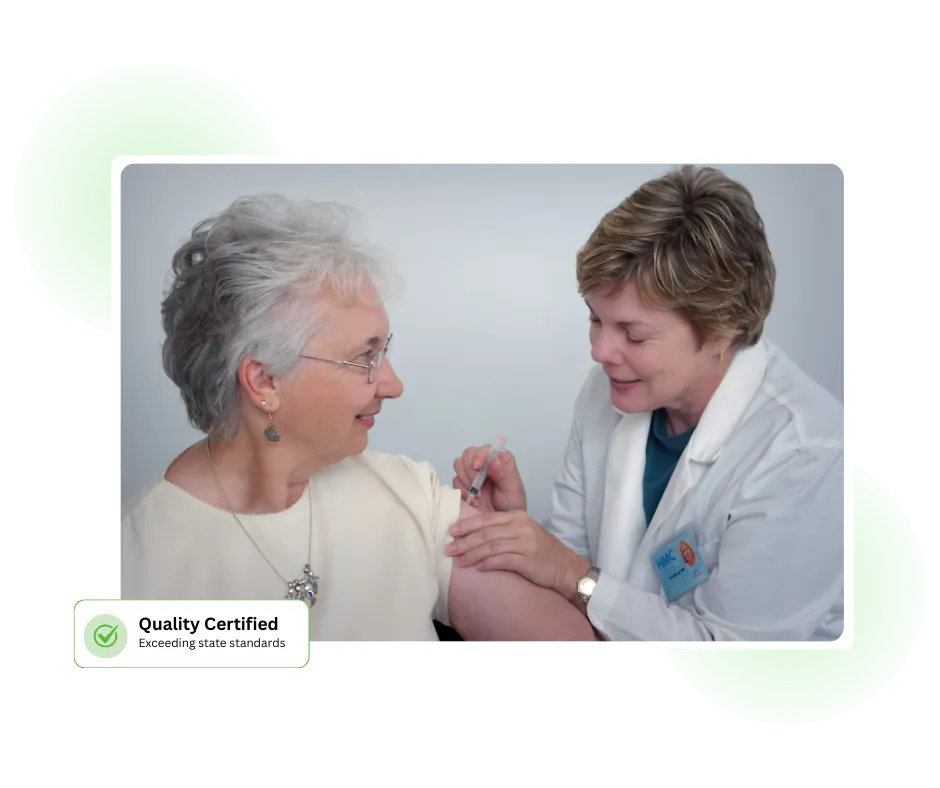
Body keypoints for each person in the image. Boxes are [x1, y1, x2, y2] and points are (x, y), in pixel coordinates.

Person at [121, 193, 595, 642]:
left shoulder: (410, 497)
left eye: (383, 350)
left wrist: (516, 552)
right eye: (364, 357)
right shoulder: (131, 563)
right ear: (264, 382)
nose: (393, 384)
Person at [449, 165, 844, 642]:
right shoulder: (605, 394)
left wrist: (571, 573)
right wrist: (517, 533)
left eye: (633, 334)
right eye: (596, 319)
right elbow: (568, 572)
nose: (599, 351)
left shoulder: (808, 452)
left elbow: (741, 664)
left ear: (721, 329)